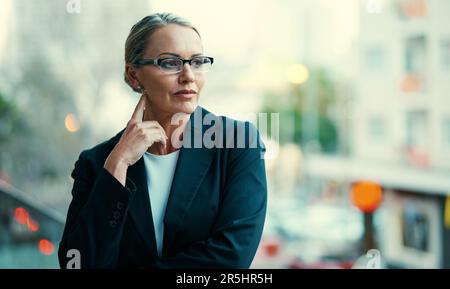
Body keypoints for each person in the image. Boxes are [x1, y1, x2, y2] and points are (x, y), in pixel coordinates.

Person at [58, 12, 267, 269]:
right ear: (134, 75)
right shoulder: (98, 163)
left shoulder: (238, 143)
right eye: (170, 63)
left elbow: (232, 259)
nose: (188, 75)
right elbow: (76, 264)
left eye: (198, 61)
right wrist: (118, 165)